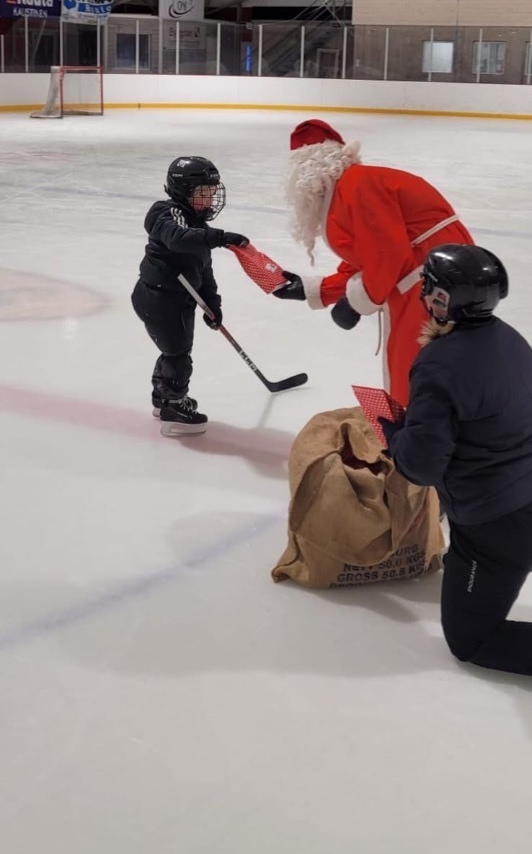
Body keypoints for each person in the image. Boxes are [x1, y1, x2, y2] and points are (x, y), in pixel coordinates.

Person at [379, 244, 532, 676]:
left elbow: (422, 466)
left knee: (472, 640)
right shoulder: (509, 336)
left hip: (495, 527)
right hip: (522, 492)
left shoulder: (439, 363)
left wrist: (396, 436)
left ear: (443, 298)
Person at [273, 119, 473, 405]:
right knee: (431, 358)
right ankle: (429, 431)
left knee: (409, 358)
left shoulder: (356, 186)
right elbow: (368, 259)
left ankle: (412, 435)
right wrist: (314, 290)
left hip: (427, 274)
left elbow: (388, 256)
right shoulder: (348, 187)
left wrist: (356, 303)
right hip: (436, 269)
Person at [132, 156, 249, 435]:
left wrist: (213, 304)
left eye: (211, 193)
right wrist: (222, 237)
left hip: (175, 299)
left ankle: (163, 398)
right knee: (179, 355)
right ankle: (173, 404)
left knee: (173, 351)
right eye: (203, 194)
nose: (210, 200)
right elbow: (178, 238)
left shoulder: (196, 223)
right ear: (183, 191)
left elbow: (203, 270)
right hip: (159, 300)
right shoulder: (167, 213)